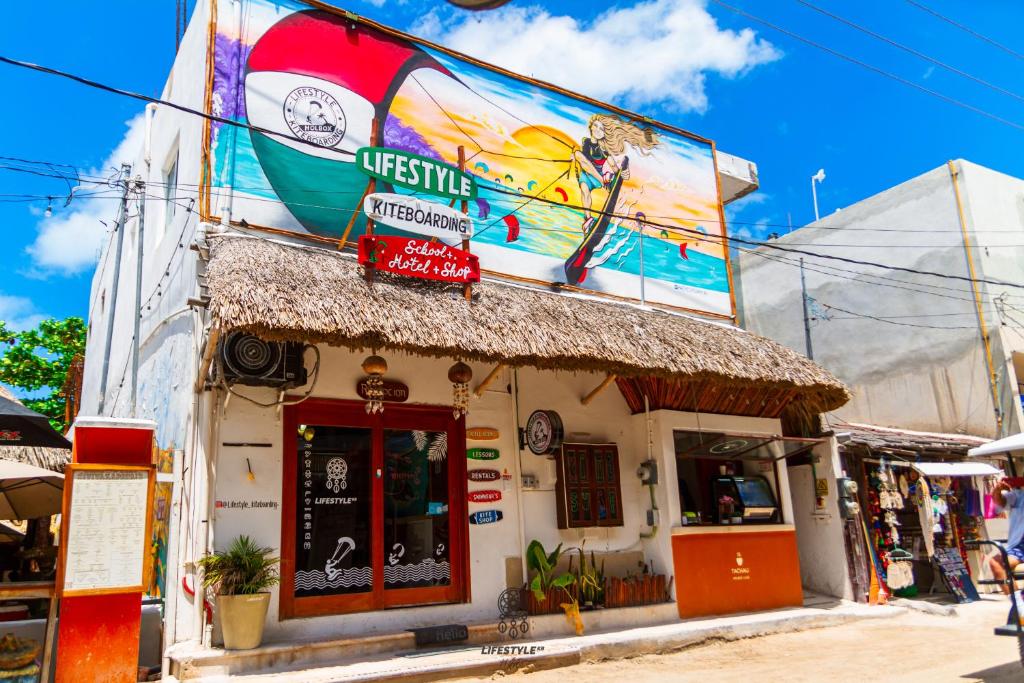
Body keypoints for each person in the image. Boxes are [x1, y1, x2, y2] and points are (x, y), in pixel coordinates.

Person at [987, 477, 1024, 594]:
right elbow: (1000, 502)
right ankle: (1018, 604)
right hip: (1020, 546)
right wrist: (997, 490)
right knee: (995, 563)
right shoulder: (1019, 496)